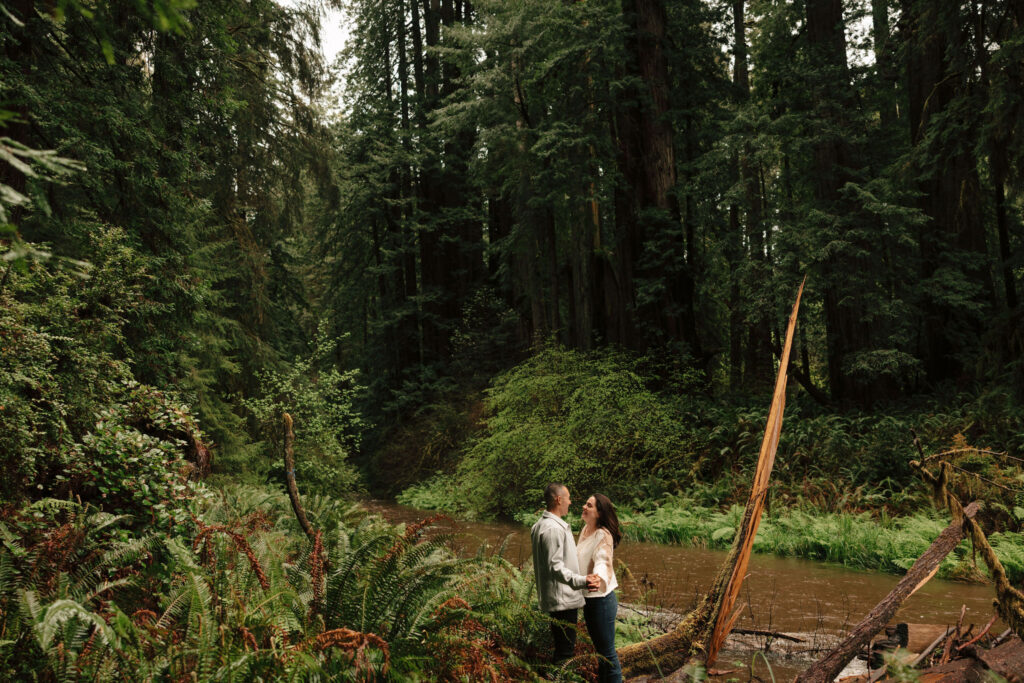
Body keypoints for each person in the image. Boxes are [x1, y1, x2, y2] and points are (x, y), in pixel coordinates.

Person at [531, 483, 601, 664]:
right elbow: (555, 567)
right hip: (563, 601)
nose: (570, 502)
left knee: (563, 650)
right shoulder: (553, 529)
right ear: (558, 499)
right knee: (565, 654)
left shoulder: (540, 525)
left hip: (558, 599)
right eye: (568, 498)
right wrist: (582, 581)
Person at [577, 493, 622, 683]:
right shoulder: (586, 529)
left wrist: (598, 577)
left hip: (601, 600)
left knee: (608, 654)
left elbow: (603, 560)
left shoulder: (603, 535)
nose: (584, 507)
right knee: (601, 654)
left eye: (589, 505)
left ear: (599, 513)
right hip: (589, 599)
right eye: (585, 504)